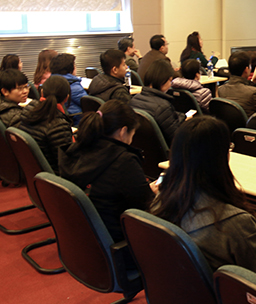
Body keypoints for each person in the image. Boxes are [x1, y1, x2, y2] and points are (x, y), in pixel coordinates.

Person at [149, 116, 256, 278]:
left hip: (187, 287)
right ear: (221, 156)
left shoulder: (161, 199)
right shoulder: (235, 222)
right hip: (238, 290)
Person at [59, 100, 156, 243]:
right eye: (132, 134)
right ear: (123, 131)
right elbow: (145, 204)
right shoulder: (124, 161)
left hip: (85, 234)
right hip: (119, 238)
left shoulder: (77, 148)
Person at [18, 75, 74, 174]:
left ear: (42, 92)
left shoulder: (28, 109)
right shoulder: (58, 125)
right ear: (66, 98)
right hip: (54, 175)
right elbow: (67, 163)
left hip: (33, 169)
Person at [129, 59, 185, 145]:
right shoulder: (163, 107)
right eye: (170, 80)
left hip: (146, 148)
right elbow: (176, 139)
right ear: (163, 81)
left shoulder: (134, 100)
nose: (170, 84)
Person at [218, 51, 256, 118]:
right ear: (246, 69)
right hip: (250, 123)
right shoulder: (254, 93)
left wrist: (252, 82)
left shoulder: (221, 89)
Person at [49, 53, 88, 125]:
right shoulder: (73, 86)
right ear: (70, 69)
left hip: (60, 119)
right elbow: (89, 104)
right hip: (78, 120)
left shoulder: (50, 82)